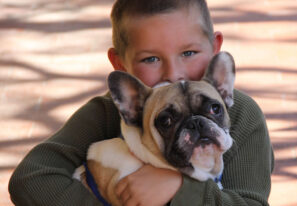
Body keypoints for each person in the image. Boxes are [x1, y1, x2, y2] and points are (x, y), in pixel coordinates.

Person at [8, 0, 274, 205]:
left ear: (214, 48)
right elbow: (31, 178)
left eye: (189, 52)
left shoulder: (242, 115)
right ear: (120, 64)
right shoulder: (108, 113)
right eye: (151, 59)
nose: (173, 73)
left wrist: (178, 188)